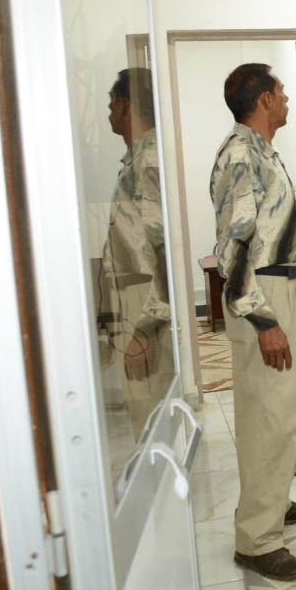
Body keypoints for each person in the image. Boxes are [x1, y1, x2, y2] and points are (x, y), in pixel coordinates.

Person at [211, 63, 296, 581]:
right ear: (264, 100)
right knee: (268, 417)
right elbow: (232, 248)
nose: (287, 99)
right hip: (264, 295)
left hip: (283, 287)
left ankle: (271, 504)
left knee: (280, 414)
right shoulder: (240, 155)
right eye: (281, 92)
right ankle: (257, 540)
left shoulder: (261, 150)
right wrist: (263, 321)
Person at [98, 68, 174, 433]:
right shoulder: (137, 159)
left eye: (111, 103)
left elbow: (162, 248)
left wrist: (145, 329)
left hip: (144, 298)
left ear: (126, 105)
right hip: (135, 296)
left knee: (148, 404)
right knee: (145, 402)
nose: (109, 112)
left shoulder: (148, 162)